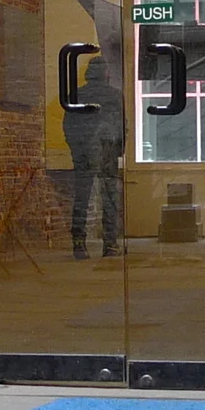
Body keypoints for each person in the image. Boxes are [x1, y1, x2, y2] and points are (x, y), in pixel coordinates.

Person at [63, 48, 125, 259]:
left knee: (82, 196)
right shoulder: (114, 95)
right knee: (109, 197)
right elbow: (121, 125)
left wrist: (76, 149)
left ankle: (79, 244)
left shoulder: (76, 95)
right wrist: (119, 151)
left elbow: (68, 126)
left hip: (84, 150)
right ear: (106, 73)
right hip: (107, 149)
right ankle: (110, 244)